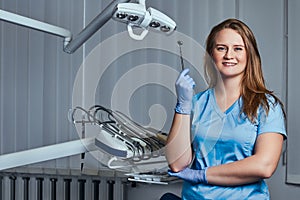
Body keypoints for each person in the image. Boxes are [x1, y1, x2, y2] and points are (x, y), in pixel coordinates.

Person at [163, 18, 287, 200]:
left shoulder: (267, 106)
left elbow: (264, 166)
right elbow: (177, 164)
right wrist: (183, 106)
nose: (229, 55)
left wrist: (201, 175)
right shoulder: (196, 103)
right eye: (221, 48)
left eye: (238, 48)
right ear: (211, 55)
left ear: (249, 55)